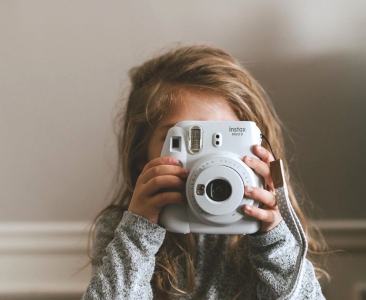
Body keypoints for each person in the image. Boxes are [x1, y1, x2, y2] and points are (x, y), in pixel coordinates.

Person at [82, 45, 328, 299]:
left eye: (221, 140)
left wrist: (275, 239)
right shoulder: (121, 227)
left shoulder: (267, 229)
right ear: (139, 157)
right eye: (183, 141)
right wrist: (139, 231)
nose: (207, 163)